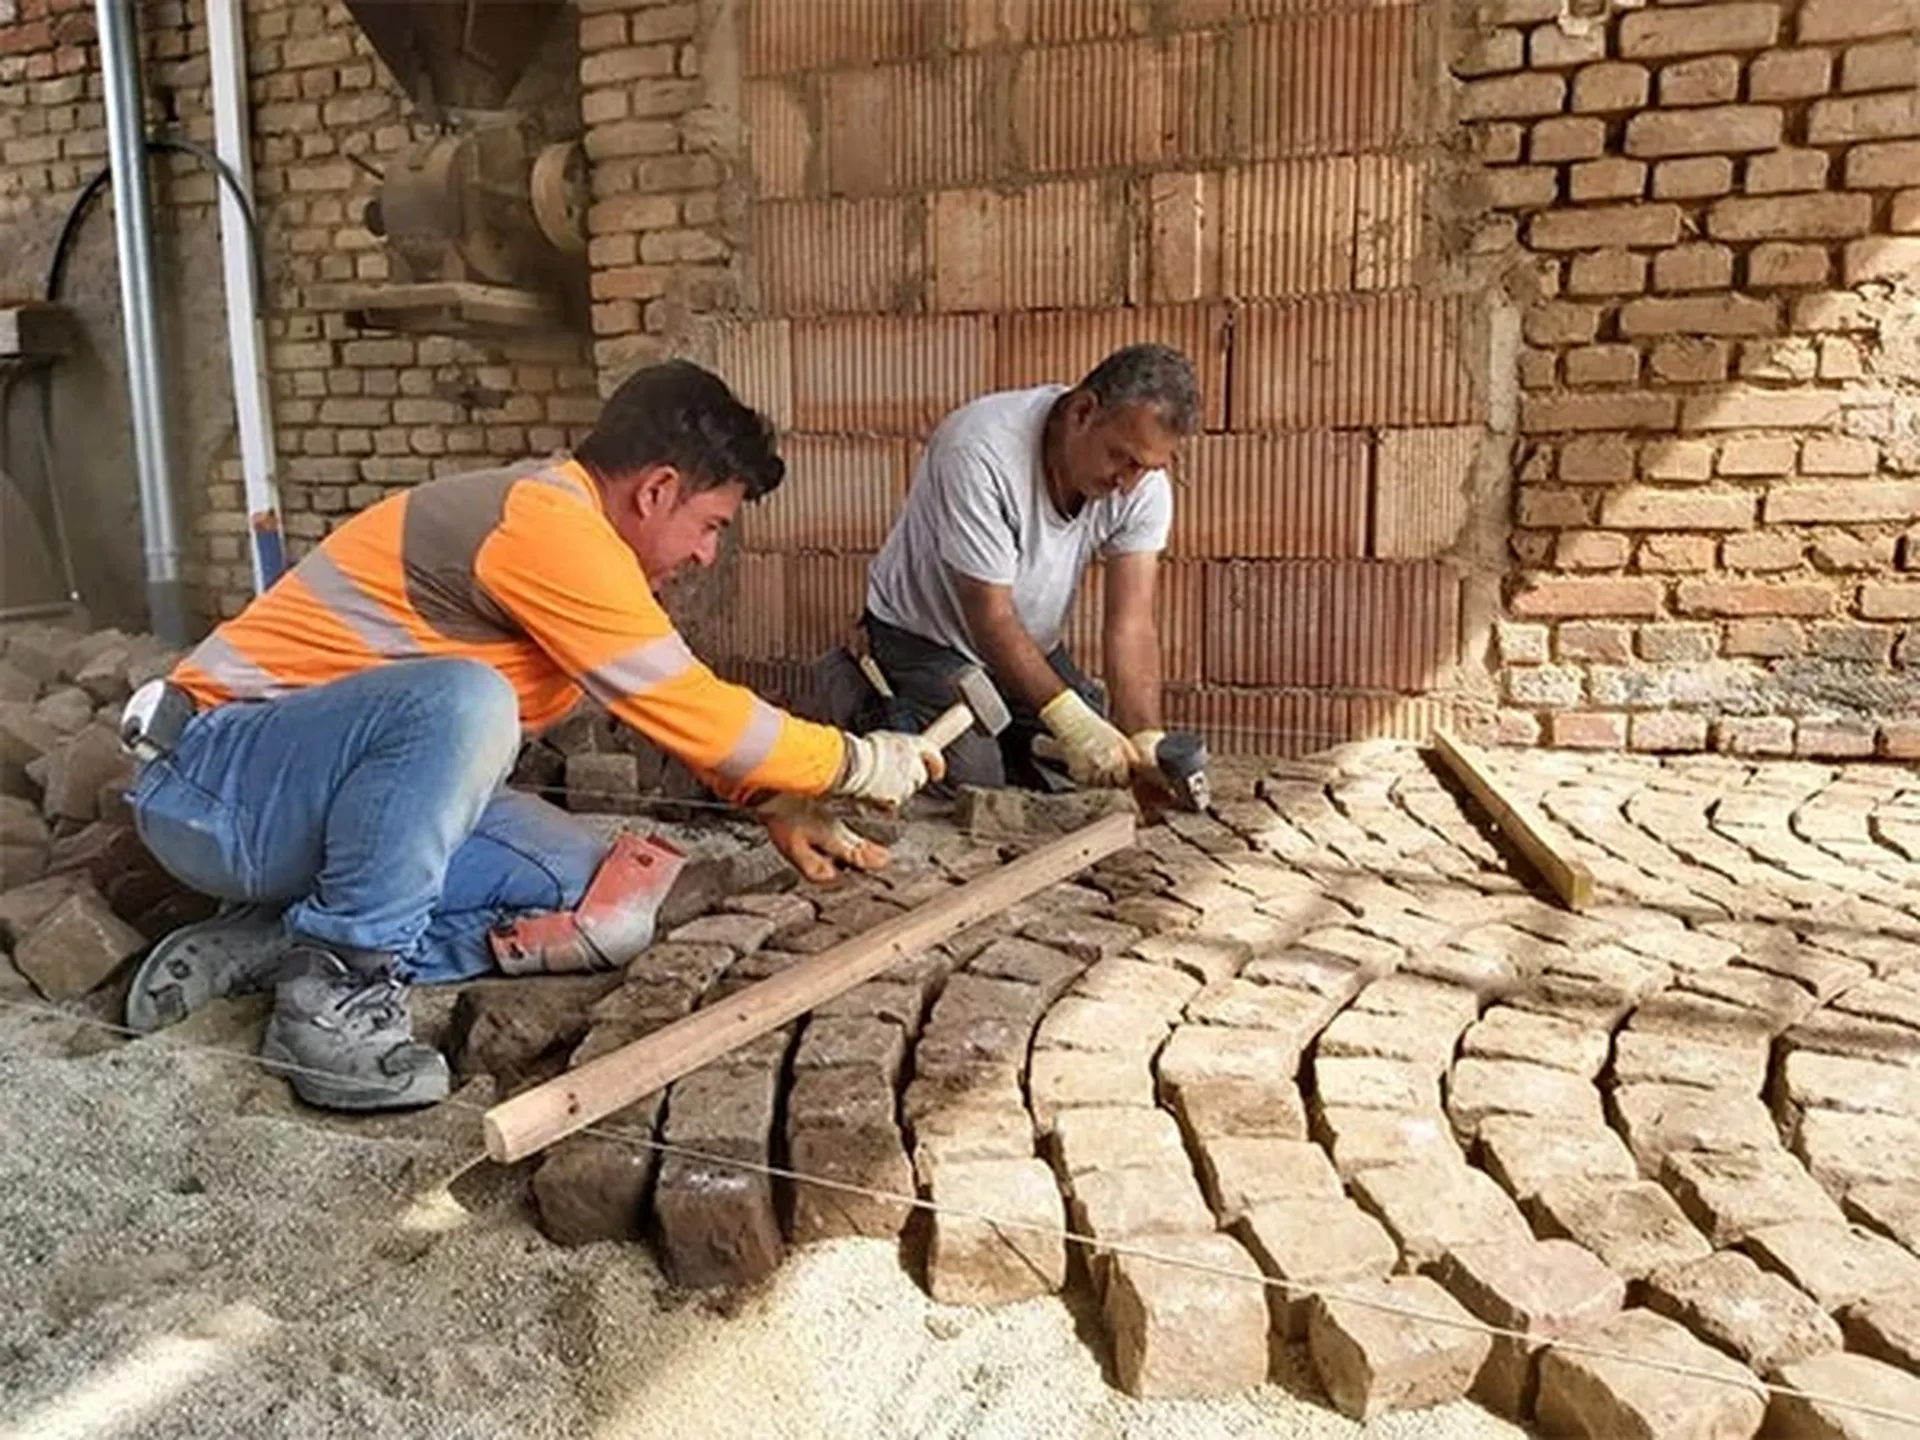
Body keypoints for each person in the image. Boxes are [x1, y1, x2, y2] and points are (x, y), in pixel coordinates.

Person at [118, 360, 944, 1112]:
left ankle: (277, 944)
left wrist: (772, 796)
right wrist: (862, 761)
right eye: (713, 524)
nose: (704, 553)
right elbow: (696, 707)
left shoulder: (583, 552)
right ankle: (337, 993)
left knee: (604, 898)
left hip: (315, 809)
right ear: (656, 490)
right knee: (468, 703)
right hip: (214, 784)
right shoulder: (545, 526)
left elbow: (665, 706)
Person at [836, 343, 1199, 799]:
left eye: (1147, 468)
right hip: (928, 640)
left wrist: (1145, 739)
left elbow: (1131, 625)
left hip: (1028, 641)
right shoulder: (979, 450)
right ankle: (862, 703)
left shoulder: (1139, 483)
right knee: (974, 781)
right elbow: (991, 617)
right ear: (1083, 411)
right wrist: (1068, 721)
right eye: (1121, 458)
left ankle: (1017, 741)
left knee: (1100, 766)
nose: (1127, 483)